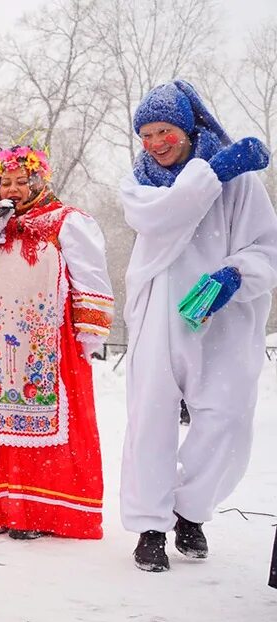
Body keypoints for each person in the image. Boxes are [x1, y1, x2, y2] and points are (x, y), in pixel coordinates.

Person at [119, 80, 277, 572]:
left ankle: (190, 511)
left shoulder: (242, 183)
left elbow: (266, 247)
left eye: (164, 130)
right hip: (160, 313)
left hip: (223, 315)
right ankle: (150, 525)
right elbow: (167, 216)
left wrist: (236, 276)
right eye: (145, 134)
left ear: (187, 128)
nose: (155, 143)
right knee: (151, 418)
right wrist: (214, 171)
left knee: (227, 416)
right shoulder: (140, 183)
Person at [0, 140, 114, 540]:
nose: (12, 190)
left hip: (49, 344)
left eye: (22, 181)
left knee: (50, 425)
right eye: (5, 182)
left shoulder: (67, 222)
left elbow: (90, 278)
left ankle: (44, 511)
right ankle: (3, 506)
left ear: (39, 180)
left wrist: (89, 331)